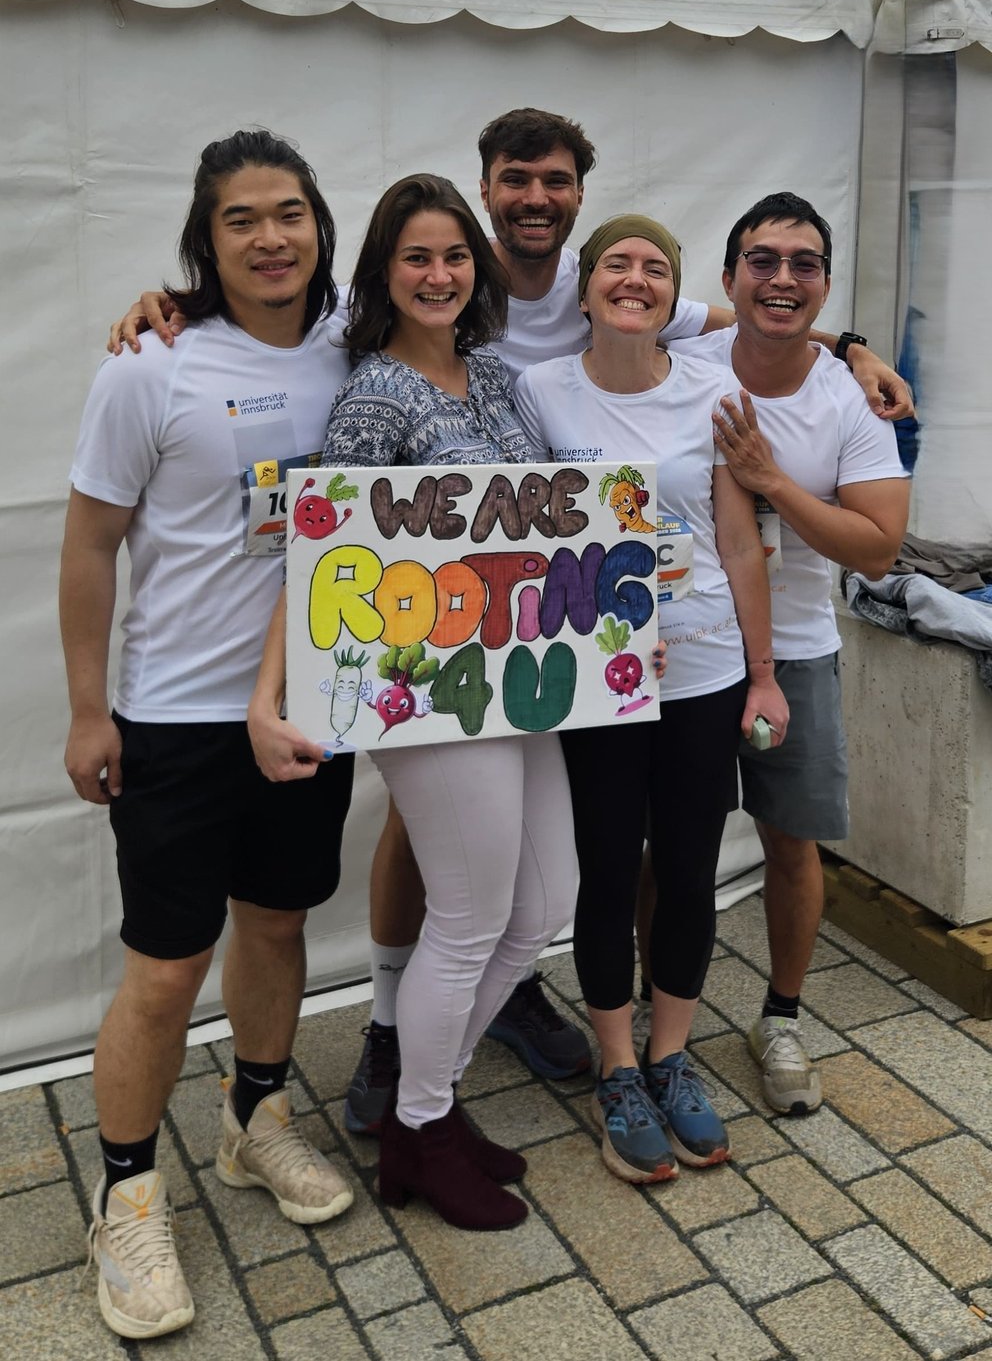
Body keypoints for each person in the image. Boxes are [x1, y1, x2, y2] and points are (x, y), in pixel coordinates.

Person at [105, 111, 916, 1117]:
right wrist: (178, 303)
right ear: (487, 188)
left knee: (569, 877)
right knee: (457, 859)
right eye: (514, 180)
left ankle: (529, 1030)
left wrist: (850, 343)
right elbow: (305, 400)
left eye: (556, 181)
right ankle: (394, 1037)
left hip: (574, 657)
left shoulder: (563, 334)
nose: (534, 199)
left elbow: (756, 312)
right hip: (437, 661)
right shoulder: (409, 304)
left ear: (576, 197)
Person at [59, 129, 356, 1341]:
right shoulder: (151, 366)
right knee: (167, 962)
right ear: (206, 237)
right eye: (242, 219)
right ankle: (127, 1192)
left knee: (278, 921)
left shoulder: (361, 342)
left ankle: (255, 1122)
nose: (271, 236)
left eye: (290, 212)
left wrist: (838, 347)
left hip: (303, 707)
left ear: (321, 225)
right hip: (175, 715)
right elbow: (86, 545)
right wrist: (88, 706)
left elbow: (560, 302)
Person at [248, 173, 579, 1230]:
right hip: (425, 699)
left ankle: (430, 1109)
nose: (439, 275)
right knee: (474, 914)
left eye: (453, 256)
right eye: (416, 257)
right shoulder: (372, 395)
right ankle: (418, 1126)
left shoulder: (494, 374)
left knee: (539, 907)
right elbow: (319, 554)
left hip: (520, 679)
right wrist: (272, 692)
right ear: (383, 274)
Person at [513, 215, 788, 1183]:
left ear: (673, 299)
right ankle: (617, 1068)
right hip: (597, 679)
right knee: (602, 863)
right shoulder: (536, 390)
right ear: (584, 290)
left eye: (655, 268)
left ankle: (669, 1053)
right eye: (617, 265)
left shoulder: (714, 389)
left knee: (685, 863)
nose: (635, 279)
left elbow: (738, 537)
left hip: (705, 668)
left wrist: (760, 670)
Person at [704, 192, 910, 1115]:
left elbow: (876, 546)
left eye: (804, 264)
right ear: (729, 276)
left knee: (792, 846)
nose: (782, 279)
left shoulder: (848, 400)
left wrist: (771, 480)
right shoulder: (683, 364)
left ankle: (780, 1016)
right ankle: (652, 1013)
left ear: (825, 284)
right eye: (762, 259)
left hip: (798, 655)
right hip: (688, 654)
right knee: (666, 849)